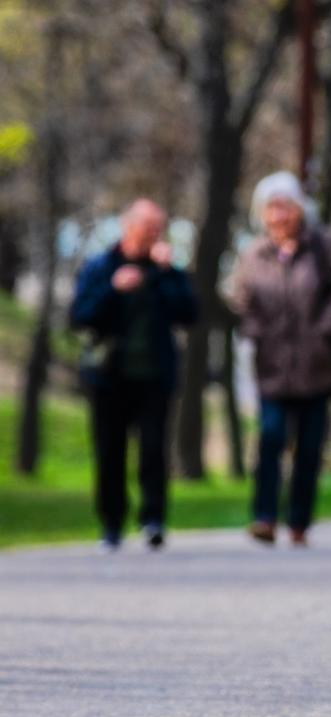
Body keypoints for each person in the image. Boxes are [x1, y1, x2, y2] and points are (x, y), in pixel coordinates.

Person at [229, 172, 331, 547]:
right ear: (262, 213)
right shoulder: (253, 253)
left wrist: (325, 330)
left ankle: (299, 521)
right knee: (270, 439)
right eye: (271, 208)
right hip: (271, 366)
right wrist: (255, 329)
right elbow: (240, 299)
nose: (279, 215)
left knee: (309, 446)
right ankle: (265, 517)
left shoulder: (323, 246)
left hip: (317, 365)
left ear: (299, 210)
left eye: (285, 207)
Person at [70, 199, 198, 551]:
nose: (153, 234)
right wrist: (114, 289)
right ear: (127, 226)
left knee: (154, 450)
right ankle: (111, 524)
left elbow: (189, 313)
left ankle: (153, 520)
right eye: (147, 227)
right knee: (110, 452)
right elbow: (80, 315)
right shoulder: (101, 266)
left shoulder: (166, 270)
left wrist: (169, 273)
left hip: (155, 375)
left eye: (158, 228)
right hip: (108, 376)